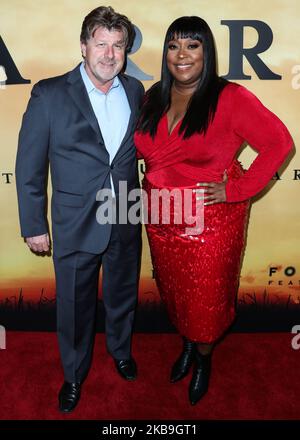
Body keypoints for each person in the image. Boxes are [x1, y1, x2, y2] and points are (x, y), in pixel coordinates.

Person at [134, 16, 293, 405]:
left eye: (192, 45)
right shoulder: (153, 96)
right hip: (161, 219)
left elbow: (279, 143)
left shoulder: (230, 97)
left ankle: (203, 358)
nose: (181, 54)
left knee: (205, 302)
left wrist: (235, 189)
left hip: (210, 224)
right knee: (175, 292)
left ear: (207, 51)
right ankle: (188, 345)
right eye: (173, 46)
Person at [15, 6, 144, 413]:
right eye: (101, 44)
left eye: (118, 46)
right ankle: (73, 375)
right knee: (74, 305)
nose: (109, 54)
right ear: (84, 46)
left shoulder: (137, 92)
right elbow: (29, 165)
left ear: (125, 51)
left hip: (125, 212)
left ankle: (120, 351)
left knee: (123, 295)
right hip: (74, 221)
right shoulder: (50, 93)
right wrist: (34, 224)